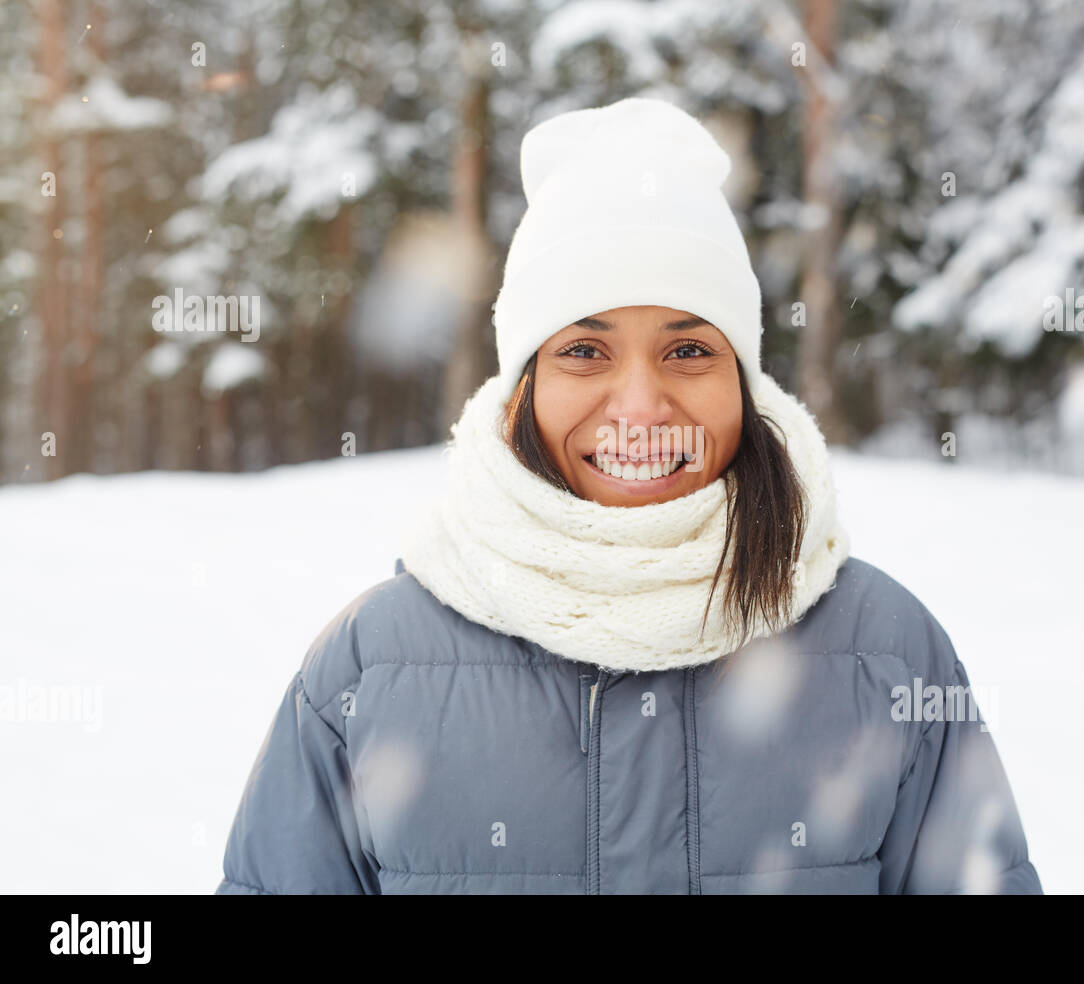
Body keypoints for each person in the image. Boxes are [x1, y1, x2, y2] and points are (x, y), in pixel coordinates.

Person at [216, 97, 1042, 895]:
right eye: (584, 350)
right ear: (523, 387)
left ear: (745, 382)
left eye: (687, 349)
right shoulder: (372, 664)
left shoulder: (888, 651)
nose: (640, 407)